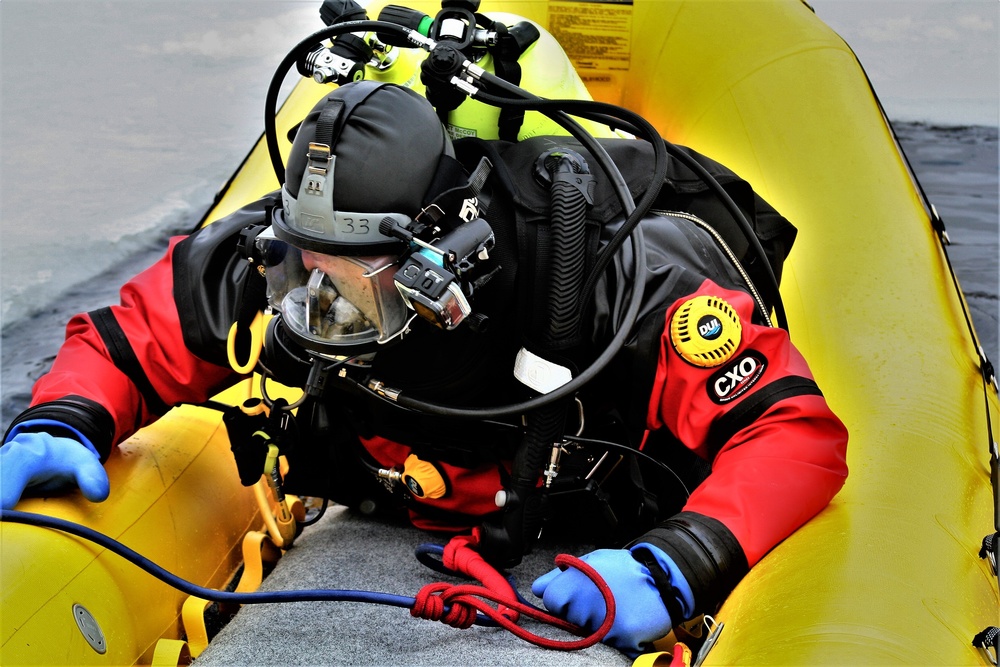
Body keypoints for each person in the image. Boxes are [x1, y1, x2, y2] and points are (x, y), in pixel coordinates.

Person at [0, 80, 848, 657]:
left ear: (440, 257)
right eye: (299, 272)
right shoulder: (294, 254)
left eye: (342, 285)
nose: (312, 308)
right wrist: (65, 414)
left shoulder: (608, 279)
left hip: (584, 514)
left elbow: (792, 427)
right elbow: (134, 333)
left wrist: (675, 563)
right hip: (411, 500)